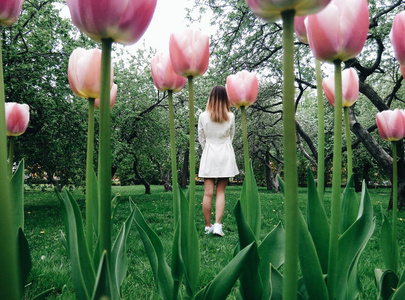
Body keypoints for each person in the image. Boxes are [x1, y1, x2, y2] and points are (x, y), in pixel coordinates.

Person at [198, 85, 239, 236]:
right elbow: (231, 137)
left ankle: (208, 226)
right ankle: (218, 226)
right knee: (220, 192)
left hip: (209, 154)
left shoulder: (203, 116)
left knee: (208, 193)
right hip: (225, 154)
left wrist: (208, 149)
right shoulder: (231, 116)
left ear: (211, 97)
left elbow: (201, 138)